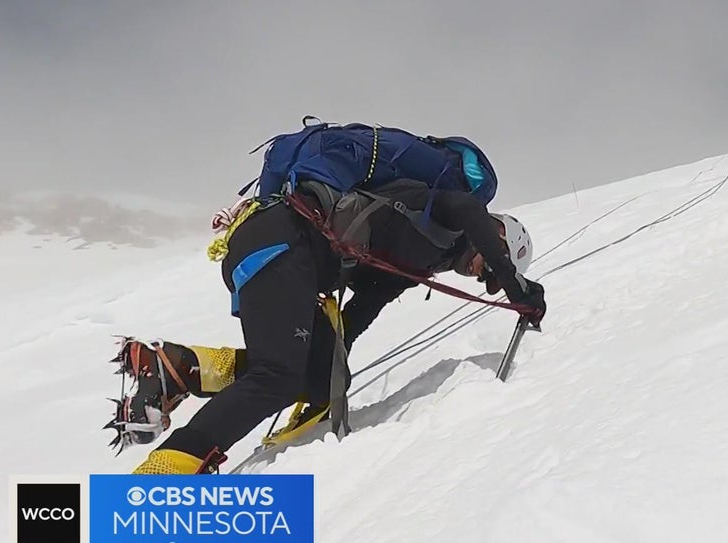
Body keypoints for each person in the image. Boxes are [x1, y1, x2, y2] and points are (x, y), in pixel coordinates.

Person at [109, 152, 545, 476]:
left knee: (318, 381)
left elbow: (355, 320)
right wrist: (515, 285)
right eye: (494, 258)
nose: (483, 273)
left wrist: (330, 369)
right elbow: (469, 211)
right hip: (284, 239)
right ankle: (163, 476)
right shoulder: (445, 213)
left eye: (487, 279)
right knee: (278, 375)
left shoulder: (416, 265)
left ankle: (184, 369)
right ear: (495, 230)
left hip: (278, 250)